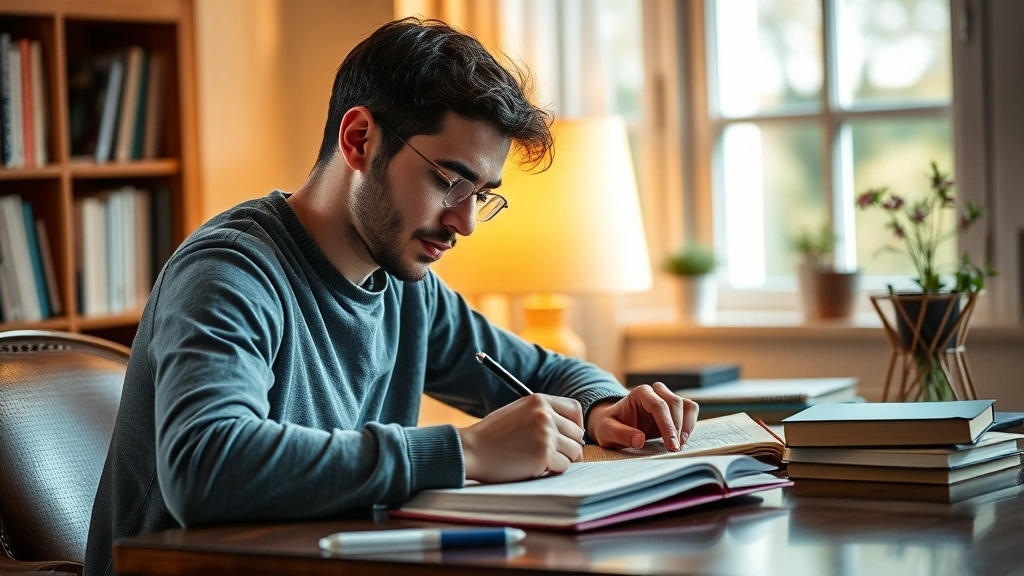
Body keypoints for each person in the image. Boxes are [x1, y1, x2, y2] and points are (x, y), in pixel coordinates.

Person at [84, 17, 698, 576]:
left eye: (481, 193)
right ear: (359, 140)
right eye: (449, 181)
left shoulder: (407, 290)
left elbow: (550, 372)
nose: (465, 223)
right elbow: (207, 466)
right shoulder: (230, 272)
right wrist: (465, 450)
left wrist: (603, 408)